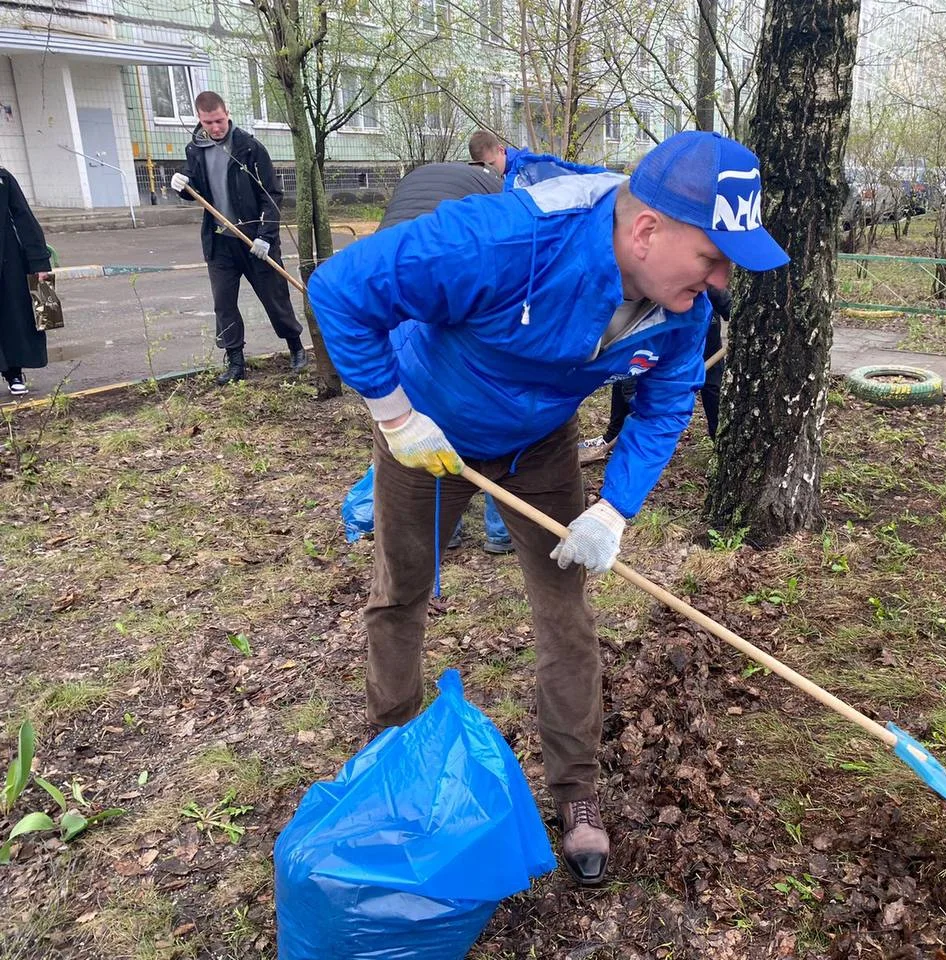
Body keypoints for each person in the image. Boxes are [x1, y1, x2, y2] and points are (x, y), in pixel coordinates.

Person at [307, 130, 789, 887]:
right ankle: (395, 759)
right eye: (714, 257)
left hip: (540, 448)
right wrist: (397, 418)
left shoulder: (682, 308)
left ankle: (577, 792)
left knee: (567, 617)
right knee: (400, 593)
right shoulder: (502, 238)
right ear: (646, 229)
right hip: (428, 434)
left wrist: (613, 511)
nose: (724, 279)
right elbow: (339, 289)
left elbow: (666, 403)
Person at [376, 159, 513, 555]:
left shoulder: (417, 179)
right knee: (490, 405)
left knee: (427, 404)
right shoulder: (495, 190)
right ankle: (499, 530)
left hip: (392, 274)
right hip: (452, 277)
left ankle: (446, 529)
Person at [170, 91, 307, 386]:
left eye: (219, 120)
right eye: (208, 122)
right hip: (220, 242)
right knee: (224, 303)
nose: (215, 127)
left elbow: (272, 196)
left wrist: (266, 236)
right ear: (200, 120)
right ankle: (235, 362)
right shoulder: (195, 150)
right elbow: (192, 184)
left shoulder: (249, 148)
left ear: (227, 113)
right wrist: (181, 184)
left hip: (254, 239)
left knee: (275, 296)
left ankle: (296, 347)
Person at [580, 285, 727, 464]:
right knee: (625, 380)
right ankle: (614, 436)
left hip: (701, 335)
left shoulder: (704, 284)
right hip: (656, 334)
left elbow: (723, 299)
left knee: (712, 386)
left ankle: (720, 444)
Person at [0, 168, 53, 396]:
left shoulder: (2, 178)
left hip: (7, 260)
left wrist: (40, 263)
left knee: (12, 318)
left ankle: (13, 372)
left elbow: (24, 218)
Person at [467, 130, 606, 191]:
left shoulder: (527, 167)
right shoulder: (499, 176)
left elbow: (568, 174)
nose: (491, 170)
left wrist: (605, 178)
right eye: (484, 167)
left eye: (492, 164)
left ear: (501, 150)